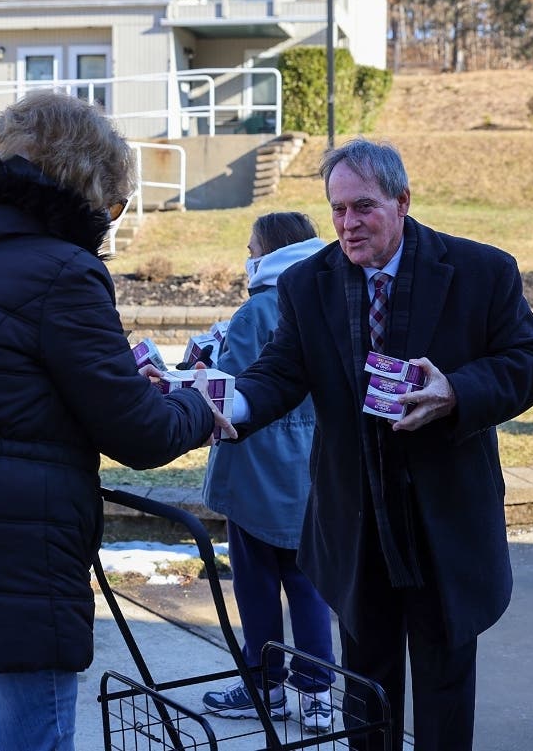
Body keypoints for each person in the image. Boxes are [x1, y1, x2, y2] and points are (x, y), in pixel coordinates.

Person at [0, 90, 233, 751]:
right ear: (86, 178)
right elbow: (142, 434)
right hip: (12, 566)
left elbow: (2, 387)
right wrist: (201, 405)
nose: (113, 214)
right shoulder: (62, 270)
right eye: (114, 199)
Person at [228, 139, 533, 751]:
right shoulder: (307, 284)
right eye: (338, 211)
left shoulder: (482, 272)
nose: (348, 225)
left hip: (445, 524)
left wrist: (457, 391)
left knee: (445, 686)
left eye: (364, 208)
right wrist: (225, 407)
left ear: (402, 201)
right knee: (365, 687)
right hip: (356, 525)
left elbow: (529, 364)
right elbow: (276, 374)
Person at [199, 212, 335, 732]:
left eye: (252, 247)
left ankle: (265, 685)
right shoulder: (325, 297)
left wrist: (208, 357)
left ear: (270, 254)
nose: (246, 255)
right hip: (311, 470)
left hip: (255, 469)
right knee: (310, 585)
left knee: (256, 587)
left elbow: (234, 387)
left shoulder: (256, 311)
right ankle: (319, 692)